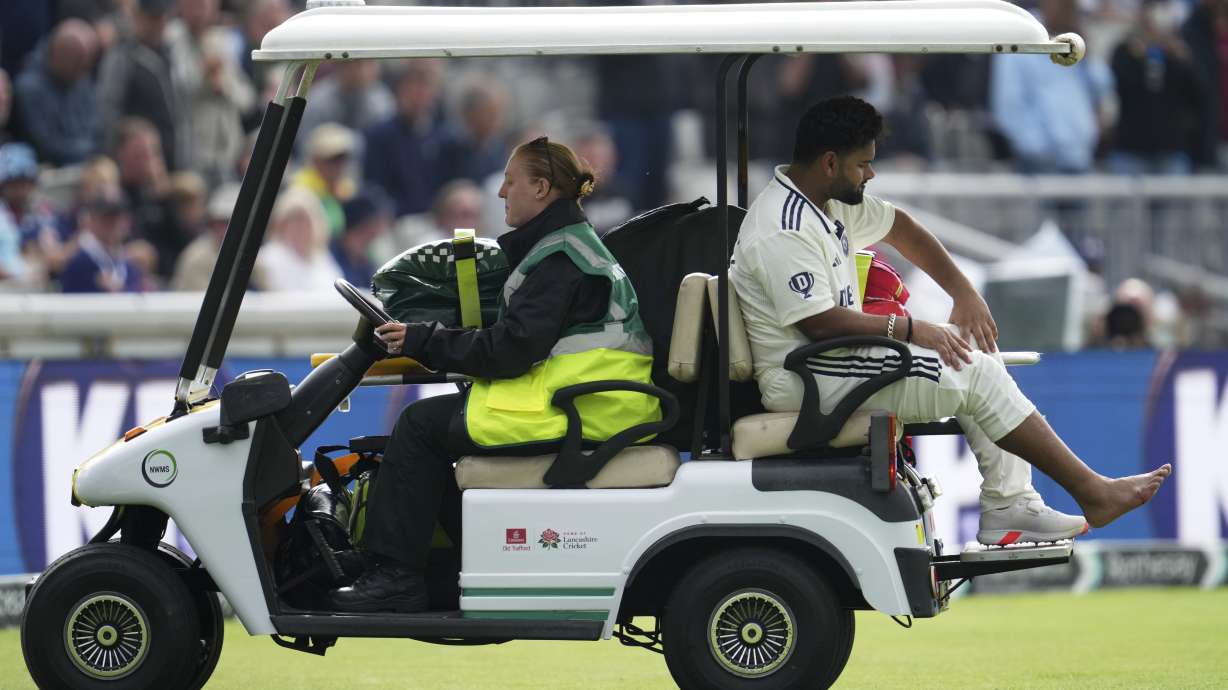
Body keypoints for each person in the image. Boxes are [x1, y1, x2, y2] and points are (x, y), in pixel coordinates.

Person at [730, 97, 1170, 544]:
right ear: (829, 163)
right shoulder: (782, 227)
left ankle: (1009, 504)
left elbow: (901, 228)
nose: (871, 175)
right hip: (806, 375)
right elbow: (818, 323)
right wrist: (913, 329)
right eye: (863, 164)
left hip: (834, 361)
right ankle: (1090, 491)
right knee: (970, 370)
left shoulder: (824, 202)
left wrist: (963, 293)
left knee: (974, 357)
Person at [330, 137, 660, 612]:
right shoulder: (563, 247)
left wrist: (425, 339)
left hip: (585, 406)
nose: (502, 192)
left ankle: (396, 576)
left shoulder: (559, 258)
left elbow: (510, 350)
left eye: (511, 181)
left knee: (419, 427)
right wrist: (433, 339)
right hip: (590, 399)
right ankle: (446, 569)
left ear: (542, 187)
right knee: (434, 431)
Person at [13, 18, 102, 166]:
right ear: (58, 54)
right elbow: (46, 146)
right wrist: (88, 152)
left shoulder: (81, 79)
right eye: (78, 63)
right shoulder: (29, 88)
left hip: (85, 164)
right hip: (48, 171)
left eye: (86, 64)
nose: (83, 72)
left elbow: (97, 129)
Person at [60, 187, 145, 293]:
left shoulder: (130, 264)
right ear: (92, 220)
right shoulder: (80, 262)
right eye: (107, 218)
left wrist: (121, 290)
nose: (114, 224)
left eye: (118, 217)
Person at [258, 186, 343, 292]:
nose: (299, 226)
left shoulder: (323, 258)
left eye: (304, 220)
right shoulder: (267, 258)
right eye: (293, 219)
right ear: (281, 223)